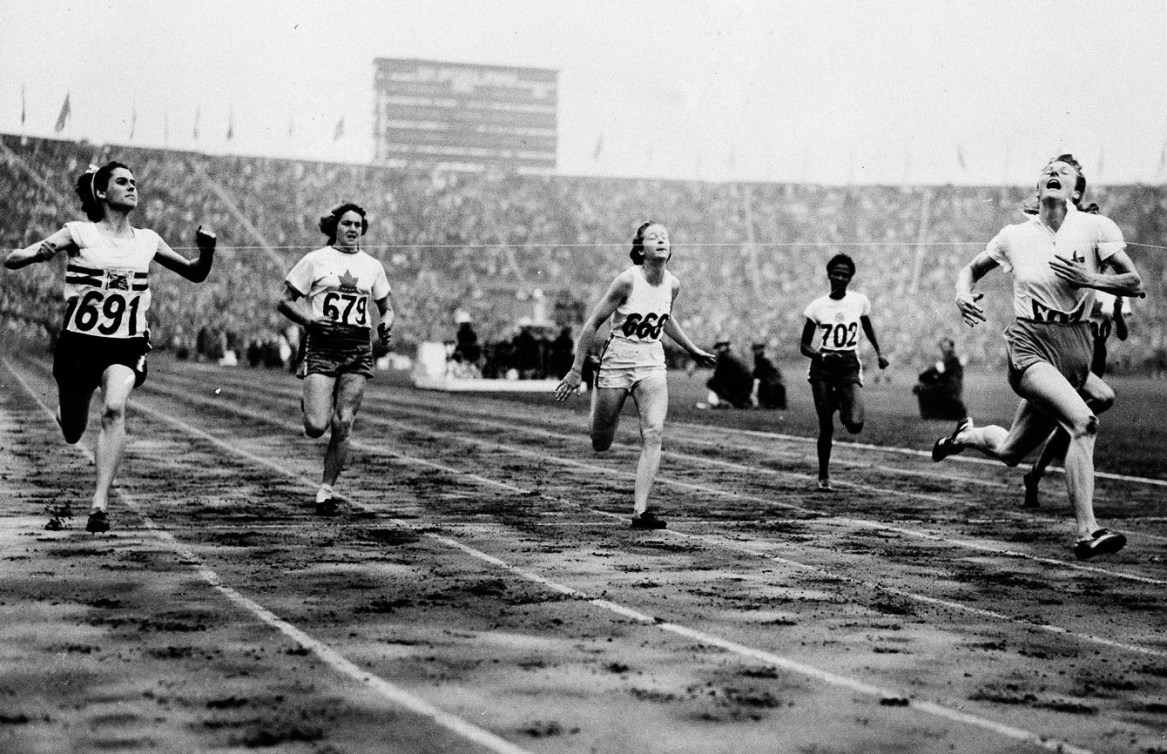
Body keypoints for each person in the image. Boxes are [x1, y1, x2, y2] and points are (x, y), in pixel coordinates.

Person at [931, 154, 1143, 559]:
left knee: (1011, 451)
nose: (1052, 173)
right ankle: (1088, 531)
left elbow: (1133, 281)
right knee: (1084, 421)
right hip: (1030, 343)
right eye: (1047, 169)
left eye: (1063, 172)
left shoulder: (1096, 227)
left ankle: (966, 435)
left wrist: (1091, 279)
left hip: (1076, 346)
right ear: (1038, 186)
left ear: (1077, 190)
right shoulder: (1014, 235)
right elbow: (969, 270)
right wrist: (962, 294)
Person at [4, 161, 216, 533]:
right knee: (72, 430)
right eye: (122, 182)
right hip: (79, 345)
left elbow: (195, 273)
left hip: (126, 343)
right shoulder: (79, 233)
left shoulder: (148, 239)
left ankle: (99, 503)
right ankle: (67, 410)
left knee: (114, 409)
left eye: (134, 181)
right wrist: (34, 254)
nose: (132, 186)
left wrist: (207, 251)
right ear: (101, 192)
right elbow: (15, 258)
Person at [554, 221, 716, 529]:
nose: (661, 240)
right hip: (616, 361)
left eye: (665, 237)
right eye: (653, 237)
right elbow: (592, 325)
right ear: (640, 248)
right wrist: (577, 370)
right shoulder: (626, 281)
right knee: (601, 441)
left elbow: (665, 319)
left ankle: (640, 511)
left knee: (654, 433)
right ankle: (598, 397)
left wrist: (692, 348)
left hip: (651, 362)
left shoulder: (673, 284)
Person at [278, 202, 394, 516]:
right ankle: (313, 401)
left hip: (357, 347)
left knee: (344, 423)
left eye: (358, 224)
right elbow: (284, 301)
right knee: (317, 426)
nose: (353, 229)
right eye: (346, 224)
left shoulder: (372, 266)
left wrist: (386, 322)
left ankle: (326, 490)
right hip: (322, 344)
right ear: (335, 228)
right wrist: (310, 321)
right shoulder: (315, 260)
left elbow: (387, 307)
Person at [1020, 286, 1130, 508]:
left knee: (1070, 424)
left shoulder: (1113, 288)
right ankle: (1035, 475)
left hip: (1094, 360)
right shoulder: (1077, 284)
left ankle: (1034, 476)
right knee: (1069, 423)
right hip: (1071, 357)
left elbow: (1123, 333)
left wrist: (1117, 314)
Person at [799, 253, 890, 491]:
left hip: (849, 363)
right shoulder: (817, 306)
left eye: (845, 274)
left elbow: (867, 326)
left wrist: (879, 352)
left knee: (856, 424)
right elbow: (804, 346)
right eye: (836, 273)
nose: (840, 277)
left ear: (851, 278)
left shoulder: (859, 301)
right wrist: (822, 356)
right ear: (829, 275)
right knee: (826, 426)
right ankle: (823, 476)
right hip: (824, 366)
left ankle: (841, 402)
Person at [913, 337, 966, 420]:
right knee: (926, 386)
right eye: (943, 347)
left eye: (946, 347)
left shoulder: (951, 361)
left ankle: (929, 415)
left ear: (952, 347)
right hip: (950, 394)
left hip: (950, 394)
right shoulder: (950, 361)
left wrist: (925, 371)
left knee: (920, 388)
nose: (944, 349)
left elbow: (928, 375)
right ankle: (934, 414)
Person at [705, 340, 754, 408]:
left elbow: (718, 376)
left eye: (719, 348)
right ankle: (736, 402)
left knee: (712, 382)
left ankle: (724, 402)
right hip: (745, 386)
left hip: (740, 386)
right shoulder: (731, 355)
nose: (718, 351)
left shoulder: (724, 358)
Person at [751, 342, 787, 410]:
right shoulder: (758, 358)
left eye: (759, 349)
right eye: (756, 349)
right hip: (762, 378)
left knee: (774, 387)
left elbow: (770, 370)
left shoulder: (764, 359)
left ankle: (772, 405)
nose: (757, 351)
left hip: (767, 378)